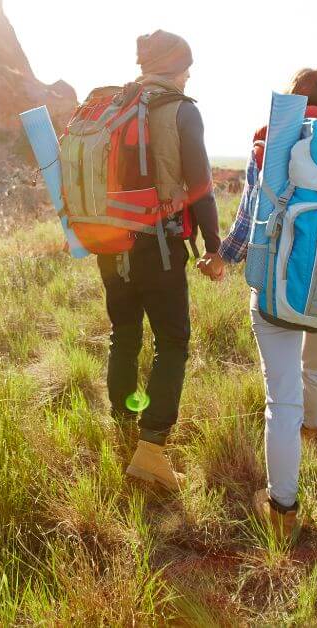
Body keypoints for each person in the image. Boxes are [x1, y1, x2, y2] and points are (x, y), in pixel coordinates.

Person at [200, 67, 317, 538]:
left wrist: (222, 258)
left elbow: (249, 219)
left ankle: (282, 509)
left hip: (274, 296)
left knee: (280, 399)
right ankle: (313, 433)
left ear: (292, 100)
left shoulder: (273, 142)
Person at [102, 30, 221, 492]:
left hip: (111, 244)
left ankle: (123, 427)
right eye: (187, 67)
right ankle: (150, 449)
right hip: (161, 245)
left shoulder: (114, 107)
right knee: (172, 341)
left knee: (124, 335)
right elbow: (201, 187)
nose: (189, 76)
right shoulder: (180, 110)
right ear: (174, 67)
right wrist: (214, 247)